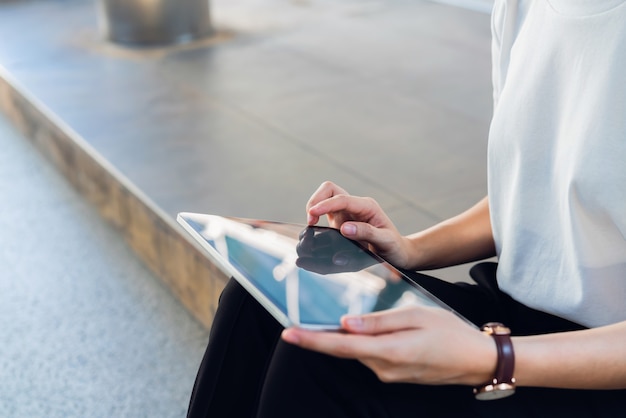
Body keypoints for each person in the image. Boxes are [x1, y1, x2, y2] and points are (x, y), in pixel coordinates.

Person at [187, 1, 626, 416]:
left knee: (325, 365)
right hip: (514, 316)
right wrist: (408, 250)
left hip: (599, 365)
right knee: (258, 302)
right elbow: (535, 191)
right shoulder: (522, 9)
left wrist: (493, 356)